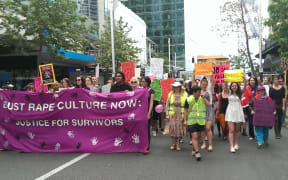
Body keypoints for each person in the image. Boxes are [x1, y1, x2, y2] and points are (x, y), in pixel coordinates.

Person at [184, 86, 210, 161]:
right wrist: (185, 120)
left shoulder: (202, 98)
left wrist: (204, 98)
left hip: (200, 121)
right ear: (194, 92)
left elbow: (208, 105)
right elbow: (185, 111)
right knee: (194, 136)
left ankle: (194, 149)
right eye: (198, 92)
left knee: (198, 137)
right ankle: (197, 152)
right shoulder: (188, 99)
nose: (200, 93)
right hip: (192, 121)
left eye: (200, 91)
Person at [225, 79, 246, 153]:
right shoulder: (228, 92)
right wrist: (226, 79)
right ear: (230, 87)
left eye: (235, 85)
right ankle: (231, 146)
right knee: (231, 130)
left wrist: (244, 79)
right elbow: (225, 85)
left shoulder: (240, 94)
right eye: (232, 86)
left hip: (238, 112)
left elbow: (245, 87)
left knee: (237, 130)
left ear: (237, 87)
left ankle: (236, 144)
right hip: (230, 112)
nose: (234, 87)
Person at [166, 82, 188, 151]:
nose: (176, 88)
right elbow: (167, 104)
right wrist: (167, 114)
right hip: (172, 114)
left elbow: (187, 105)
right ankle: (173, 144)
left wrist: (185, 115)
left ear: (180, 87)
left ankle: (178, 144)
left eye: (178, 86)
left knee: (179, 130)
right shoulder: (170, 94)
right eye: (175, 87)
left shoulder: (184, 94)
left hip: (180, 114)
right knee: (172, 129)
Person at [141, 76, 154, 155]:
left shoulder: (151, 91)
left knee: (146, 130)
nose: (142, 83)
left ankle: (147, 146)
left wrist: (149, 113)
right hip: (140, 113)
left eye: (143, 81)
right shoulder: (140, 90)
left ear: (147, 82)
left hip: (147, 112)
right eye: (141, 81)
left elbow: (151, 102)